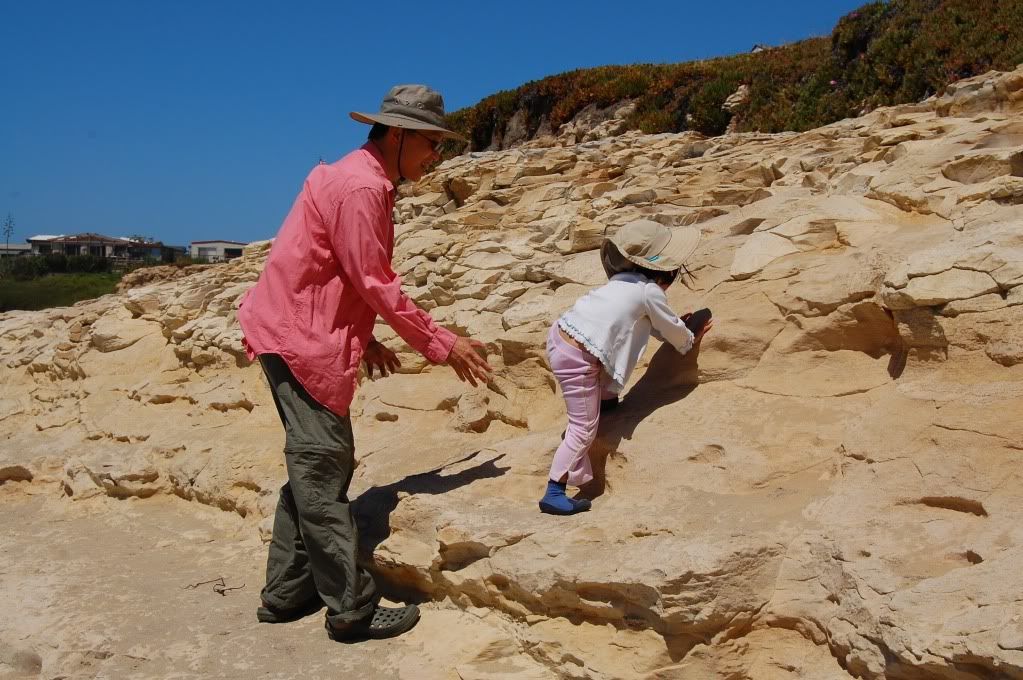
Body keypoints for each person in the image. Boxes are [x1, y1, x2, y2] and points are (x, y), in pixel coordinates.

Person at [238, 84, 492, 641]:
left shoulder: (353, 175)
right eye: (430, 143)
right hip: (299, 337)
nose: (436, 156)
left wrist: (365, 336)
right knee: (323, 470)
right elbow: (375, 280)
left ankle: (286, 592)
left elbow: (335, 270)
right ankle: (351, 608)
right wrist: (441, 343)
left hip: (291, 327)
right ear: (397, 135)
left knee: (313, 468)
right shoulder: (361, 187)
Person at [539, 219, 712, 515]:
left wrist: (672, 327)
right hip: (577, 356)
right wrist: (689, 336)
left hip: (564, 339)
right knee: (583, 428)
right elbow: (669, 330)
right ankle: (554, 491)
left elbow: (642, 324)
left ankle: (605, 402)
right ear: (666, 270)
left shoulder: (621, 283)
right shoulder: (649, 292)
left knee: (602, 369)